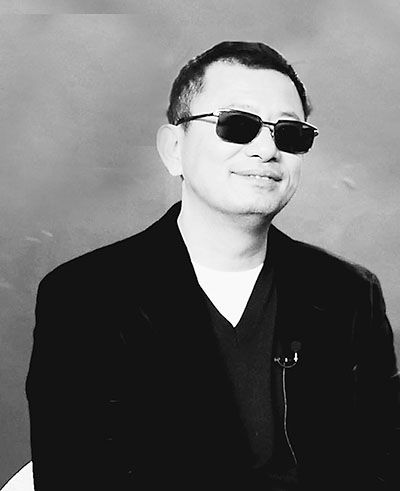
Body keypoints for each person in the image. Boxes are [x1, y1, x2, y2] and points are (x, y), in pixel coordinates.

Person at [26, 41, 399, 490]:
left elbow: (383, 463)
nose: (266, 150)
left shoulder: (349, 293)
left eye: (290, 133)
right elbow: (75, 473)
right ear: (174, 148)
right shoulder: (83, 298)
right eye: (237, 125)